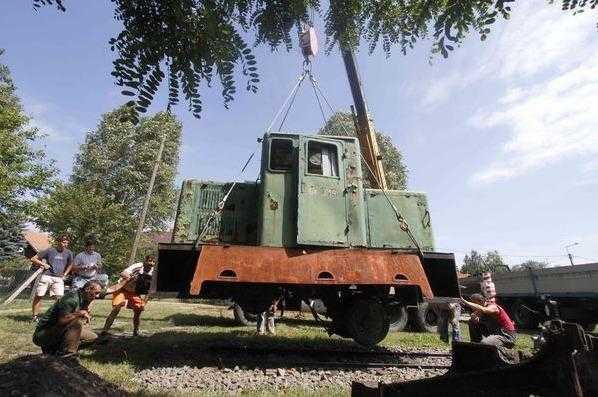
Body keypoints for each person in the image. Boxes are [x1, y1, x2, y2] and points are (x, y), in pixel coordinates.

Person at [32, 280, 102, 357]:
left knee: (93, 338)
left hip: (59, 331)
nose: (98, 296)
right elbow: (62, 321)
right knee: (76, 324)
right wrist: (79, 313)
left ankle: (56, 350)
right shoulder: (71, 299)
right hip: (43, 334)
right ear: (87, 289)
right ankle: (67, 355)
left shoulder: (83, 298)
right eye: (96, 293)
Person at [101, 255, 155, 336]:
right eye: (150, 261)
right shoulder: (138, 266)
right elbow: (123, 273)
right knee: (117, 308)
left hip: (135, 292)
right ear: (145, 260)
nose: (151, 263)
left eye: (154, 262)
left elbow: (150, 290)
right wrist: (129, 277)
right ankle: (105, 331)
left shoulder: (153, 273)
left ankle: (136, 331)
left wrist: (144, 301)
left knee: (138, 310)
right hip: (122, 289)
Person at [31, 235, 74, 322]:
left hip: (58, 278)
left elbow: (71, 264)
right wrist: (43, 264)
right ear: (58, 242)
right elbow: (33, 259)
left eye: (66, 243)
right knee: (39, 296)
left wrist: (65, 274)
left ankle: (56, 317)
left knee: (59, 299)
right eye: (63, 242)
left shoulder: (69, 253)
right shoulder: (50, 250)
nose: (65, 244)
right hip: (46, 276)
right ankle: (35, 317)